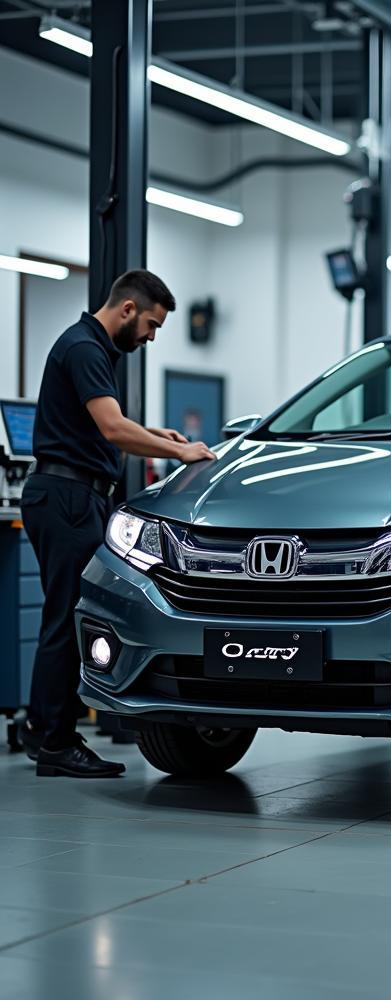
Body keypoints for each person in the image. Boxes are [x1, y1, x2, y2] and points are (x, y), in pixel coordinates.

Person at [19, 270, 217, 779]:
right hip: (68, 497)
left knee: (65, 616)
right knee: (67, 617)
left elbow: (99, 423)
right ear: (128, 310)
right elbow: (111, 428)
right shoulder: (85, 347)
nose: (151, 336)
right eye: (151, 324)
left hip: (71, 496)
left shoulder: (88, 348)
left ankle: (47, 732)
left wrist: (153, 431)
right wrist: (178, 449)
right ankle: (56, 742)